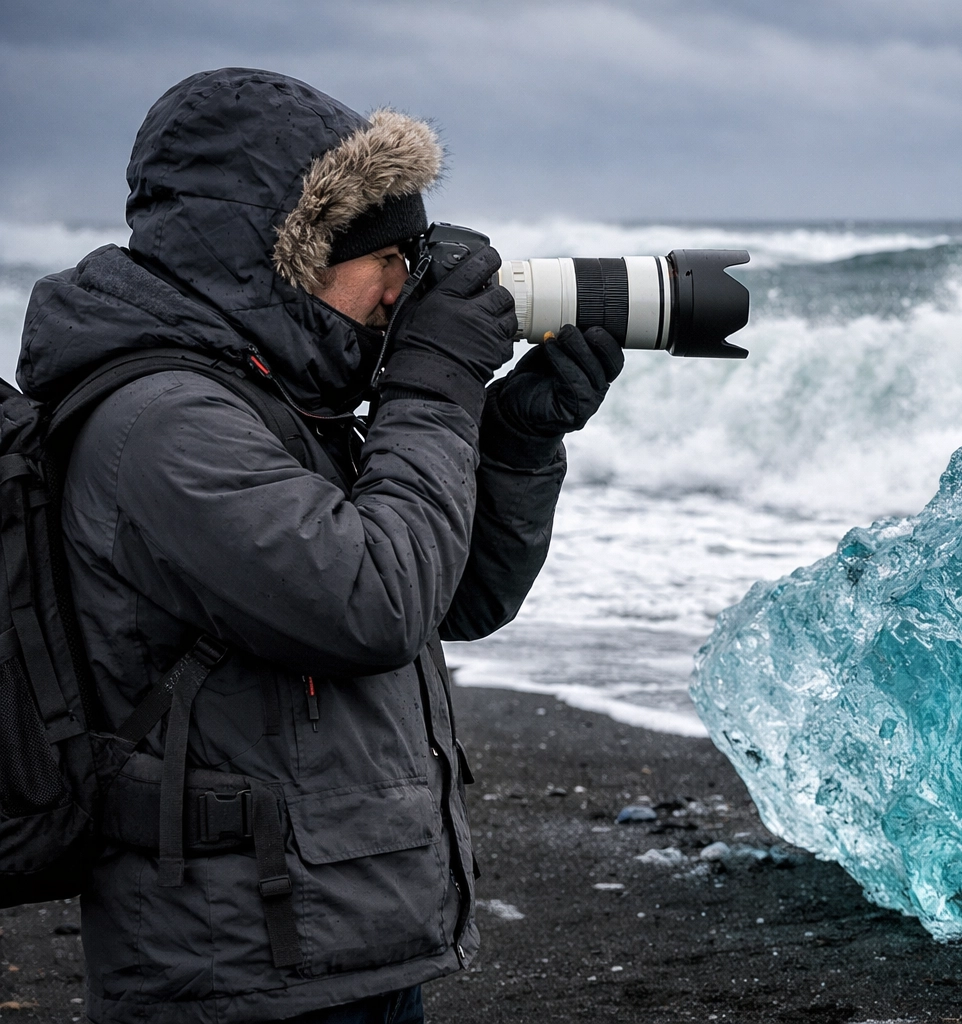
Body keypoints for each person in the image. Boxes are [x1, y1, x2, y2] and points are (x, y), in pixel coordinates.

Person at [17, 68, 623, 1023]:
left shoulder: (277, 396)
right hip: (236, 967)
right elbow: (375, 603)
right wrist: (431, 384)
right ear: (283, 258)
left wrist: (510, 440)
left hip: (326, 934)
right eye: (388, 257)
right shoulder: (167, 423)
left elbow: (450, 600)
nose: (402, 291)